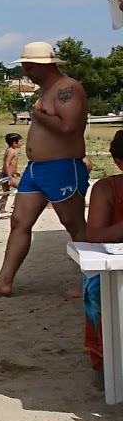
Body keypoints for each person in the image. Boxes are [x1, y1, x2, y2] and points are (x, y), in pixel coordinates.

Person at [0, 42, 89, 297]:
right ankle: (4, 280)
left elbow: (70, 127)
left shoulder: (68, 89)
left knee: (74, 223)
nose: (26, 72)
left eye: (28, 66)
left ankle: (89, 281)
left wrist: (37, 116)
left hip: (62, 166)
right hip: (36, 170)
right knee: (19, 221)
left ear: (42, 66)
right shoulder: (46, 91)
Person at [79, 130, 123, 372]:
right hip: (115, 267)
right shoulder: (107, 188)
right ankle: (110, 355)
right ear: (118, 164)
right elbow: (94, 235)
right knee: (95, 286)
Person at [0, 133, 24, 215]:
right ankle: (14, 205)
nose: (21, 143)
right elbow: (7, 163)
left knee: (6, 193)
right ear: (14, 143)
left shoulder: (9, 150)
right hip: (7, 176)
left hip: (4, 175)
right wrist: (9, 176)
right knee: (22, 188)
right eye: (20, 141)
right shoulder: (12, 152)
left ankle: (1, 208)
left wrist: (16, 172)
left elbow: (12, 165)